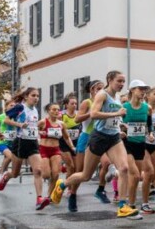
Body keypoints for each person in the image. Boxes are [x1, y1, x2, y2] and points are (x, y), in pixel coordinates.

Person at [55, 70, 138, 219]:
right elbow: (94, 114)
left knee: (124, 168)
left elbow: (114, 119)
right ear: (110, 80)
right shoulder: (102, 95)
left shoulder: (117, 97)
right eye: (119, 81)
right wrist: (116, 114)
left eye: (123, 82)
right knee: (86, 175)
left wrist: (120, 127)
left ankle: (122, 206)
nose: (121, 84)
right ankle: (62, 185)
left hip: (113, 138)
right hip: (98, 137)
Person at [0, 88, 49, 210]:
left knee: (38, 171)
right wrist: (19, 125)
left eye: (37, 96)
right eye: (33, 95)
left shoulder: (35, 109)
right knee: (15, 173)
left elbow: (32, 126)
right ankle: (6, 177)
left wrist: (37, 131)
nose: (36, 98)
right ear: (26, 97)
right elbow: (6, 120)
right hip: (20, 142)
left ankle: (39, 198)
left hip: (32, 143)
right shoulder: (20, 107)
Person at [110, 79, 154, 214]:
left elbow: (149, 124)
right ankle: (128, 204)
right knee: (134, 175)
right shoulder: (124, 107)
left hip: (141, 143)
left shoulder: (147, 108)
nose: (143, 92)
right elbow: (116, 124)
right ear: (132, 90)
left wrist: (150, 133)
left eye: (144, 90)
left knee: (138, 177)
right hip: (126, 144)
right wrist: (121, 131)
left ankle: (133, 204)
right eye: (140, 89)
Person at [41, 102, 75, 206]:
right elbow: (32, 130)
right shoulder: (42, 122)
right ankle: (48, 180)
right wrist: (39, 133)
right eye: (53, 109)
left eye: (57, 110)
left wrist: (72, 147)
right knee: (46, 174)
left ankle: (49, 196)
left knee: (55, 174)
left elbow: (66, 137)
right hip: (44, 149)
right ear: (48, 111)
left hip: (55, 150)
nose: (56, 111)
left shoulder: (61, 124)